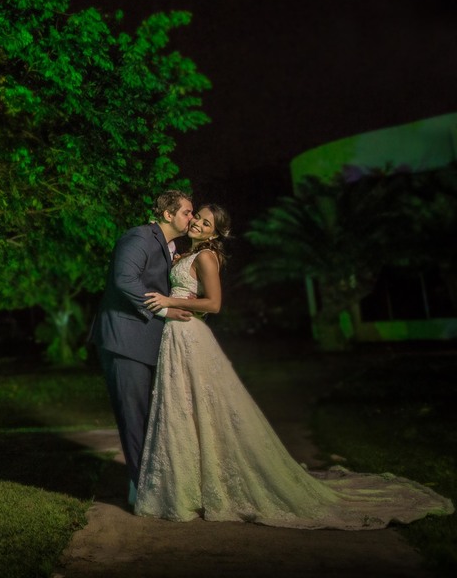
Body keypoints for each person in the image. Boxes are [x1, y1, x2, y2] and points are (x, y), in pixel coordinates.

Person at [134, 204, 454, 528]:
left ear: (215, 233)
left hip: (190, 335)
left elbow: (214, 304)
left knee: (200, 407)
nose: (198, 225)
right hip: (177, 335)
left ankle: (200, 487)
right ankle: (186, 486)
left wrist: (170, 300)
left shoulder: (205, 256)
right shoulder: (189, 254)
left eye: (206, 224)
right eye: (198, 218)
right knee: (183, 409)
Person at [89, 189, 195, 507]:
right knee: (134, 417)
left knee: (150, 416)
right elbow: (124, 279)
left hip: (145, 342)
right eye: (187, 212)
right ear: (168, 214)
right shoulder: (139, 237)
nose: (192, 217)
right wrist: (165, 309)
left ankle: (153, 484)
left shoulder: (167, 246)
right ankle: (141, 492)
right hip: (125, 341)